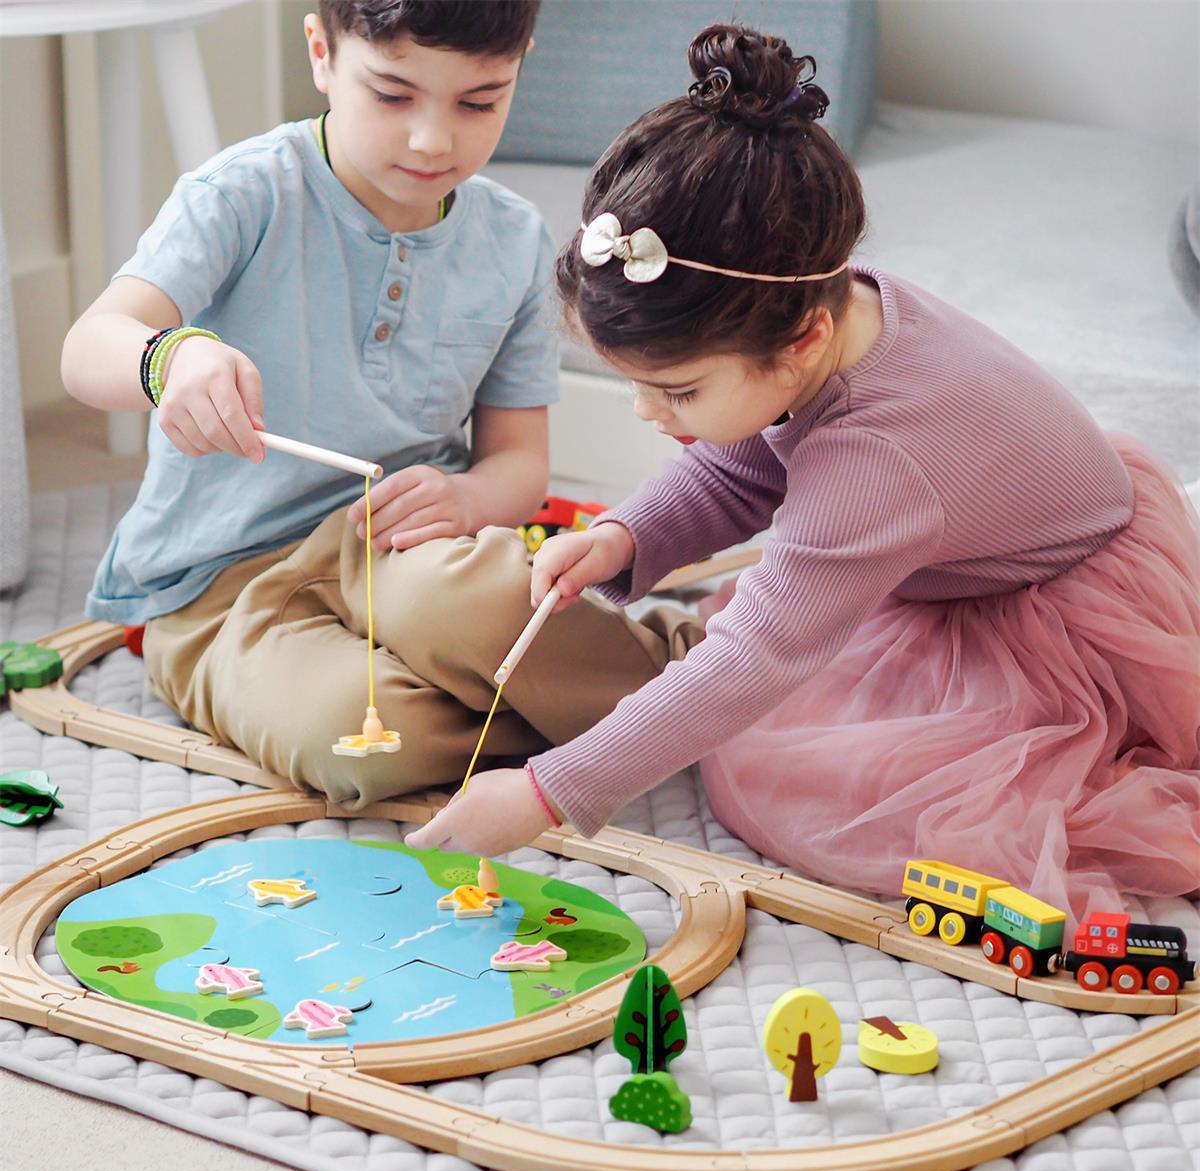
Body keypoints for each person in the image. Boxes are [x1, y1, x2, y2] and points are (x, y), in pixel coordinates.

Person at [406, 23, 1200, 918]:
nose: (647, 414)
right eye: (638, 385)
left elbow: (756, 657)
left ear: (801, 342)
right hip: (944, 556)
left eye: (678, 390)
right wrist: (625, 536)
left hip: (1050, 611)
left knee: (821, 792)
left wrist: (549, 792)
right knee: (772, 718)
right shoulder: (823, 304)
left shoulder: (875, 462)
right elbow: (745, 467)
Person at [58, 0, 563, 804]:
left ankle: (688, 674)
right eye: (392, 95)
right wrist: (168, 357)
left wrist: (468, 497)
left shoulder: (517, 239)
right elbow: (89, 347)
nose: (432, 140)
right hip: (218, 593)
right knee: (351, 736)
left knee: (495, 604)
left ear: (521, 67)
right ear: (321, 51)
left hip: (406, 558)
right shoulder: (240, 194)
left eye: (479, 102)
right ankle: (613, 712)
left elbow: (521, 464)